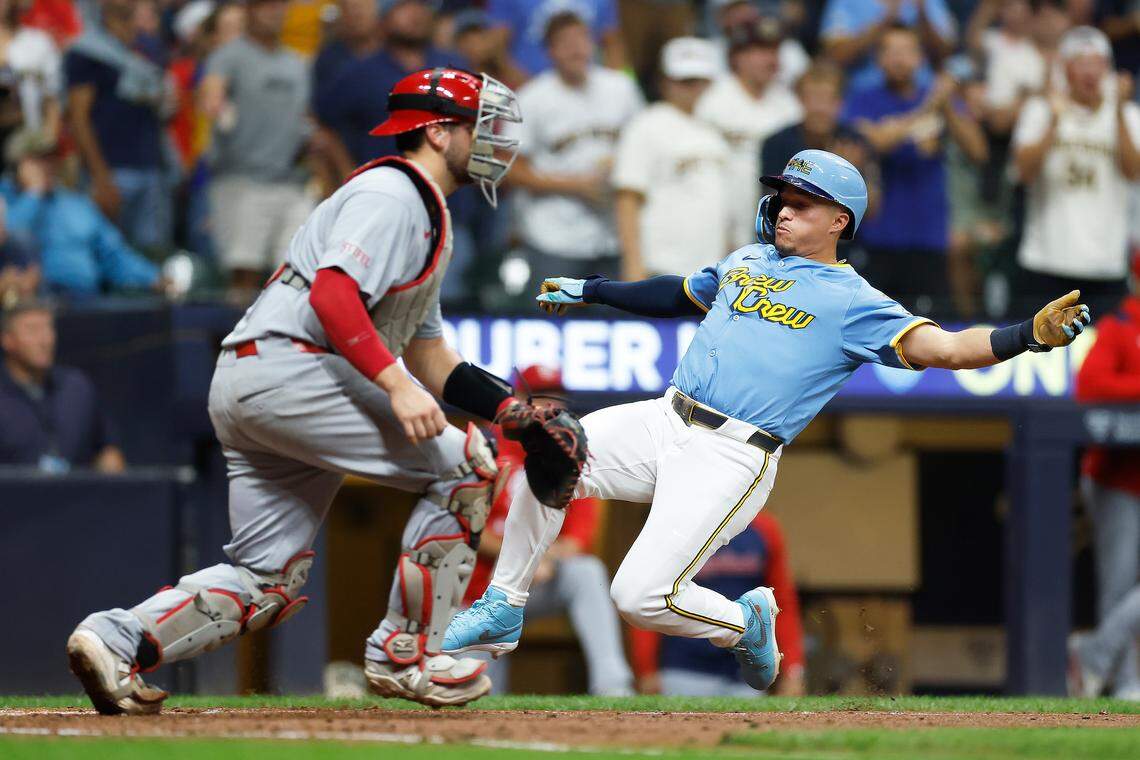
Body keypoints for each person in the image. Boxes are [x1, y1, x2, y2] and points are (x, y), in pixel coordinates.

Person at [443, 148, 1091, 694]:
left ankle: (745, 626)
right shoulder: (747, 260)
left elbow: (943, 349)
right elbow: (676, 294)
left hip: (732, 454)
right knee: (550, 452)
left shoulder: (856, 301)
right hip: (666, 417)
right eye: (782, 196)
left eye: (802, 202)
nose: (783, 208)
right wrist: (593, 290)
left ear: (839, 220)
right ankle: (504, 603)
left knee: (636, 596)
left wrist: (1023, 336)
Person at [65, 68, 542, 715]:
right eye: (476, 126)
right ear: (435, 130)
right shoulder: (394, 194)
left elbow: (428, 352)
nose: (491, 140)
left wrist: (512, 408)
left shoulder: (425, 211)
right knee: (465, 469)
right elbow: (334, 296)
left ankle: (117, 638)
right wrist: (394, 386)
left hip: (260, 376)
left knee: (268, 581)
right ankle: (407, 654)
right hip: (296, 367)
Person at [467, 364, 634, 696]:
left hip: (541, 582)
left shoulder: (570, 453)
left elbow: (577, 542)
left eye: (555, 400)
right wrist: (525, 556)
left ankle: (614, 686)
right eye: (538, 399)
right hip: (480, 590)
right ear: (514, 401)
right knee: (477, 695)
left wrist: (541, 558)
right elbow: (469, 530)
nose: (547, 408)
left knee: (586, 572)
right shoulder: (487, 445)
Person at [843, 23, 988, 317]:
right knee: (875, 324)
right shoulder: (863, 99)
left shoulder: (940, 100)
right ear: (878, 59)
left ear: (920, 58)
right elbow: (874, 142)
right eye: (891, 51)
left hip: (930, 235)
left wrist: (946, 106)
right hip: (879, 236)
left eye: (907, 51)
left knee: (931, 325)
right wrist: (927, 107)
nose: (900, 59)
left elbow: (978, 152)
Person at [1013, 26, 1140, 319]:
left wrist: (1119, 112)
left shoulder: (1128, 115)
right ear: (1065, 69)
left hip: (1106, 264)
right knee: (1038, 347)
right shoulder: (1041, 110)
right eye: (1082, 63)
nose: (1091, 72)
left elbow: (1133, 172)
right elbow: (1023, 173)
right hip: (1045, 260)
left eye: (1098, 63)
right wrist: (1054, 123)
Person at [510, 10, 643, 286]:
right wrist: (574, 185)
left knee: (614, 324)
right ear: (550, 51)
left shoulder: (621, 88)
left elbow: (644, 145)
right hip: (554, 236)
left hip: (613, 236)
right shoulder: (531, 98)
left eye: (582, 39)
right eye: (565, 42)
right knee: (554, 322)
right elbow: (512, 170)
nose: (576, 48)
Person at [199, 0, 316, 295]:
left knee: (298, 273)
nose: (273, 11)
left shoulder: (296, 63)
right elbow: (211, 91)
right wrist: (215, 102)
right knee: (243, 273)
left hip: (290, 181)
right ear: (249, 10)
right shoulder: (228, 56)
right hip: (242, 180)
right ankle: (236, 340)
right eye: (265, 5)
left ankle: (285, 341)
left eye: (278, 6)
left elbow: (305, 118)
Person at [630, 511, 805, 696]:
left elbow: (781, 603)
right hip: (684, 668)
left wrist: (793, 669)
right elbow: (653, 597)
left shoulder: (763, 527)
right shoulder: (677, 526)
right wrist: (646, 668)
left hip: (745, 669)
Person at [1073, 251, 1140, 698]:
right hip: (1118, 478)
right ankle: (1128, 684)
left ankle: (1094, 655)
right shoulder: (1121, 328)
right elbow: (1090, 387)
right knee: (1118, 586)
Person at [612, 37, 730, 280]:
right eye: (686, 81)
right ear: (665, 81)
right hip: (660, 268)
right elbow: (627, 198)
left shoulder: (713, 129)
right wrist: (633, 265)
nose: (694, 88)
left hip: (708, 270)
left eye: (700, 81)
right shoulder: (645, 125)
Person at [64, 0, 175, 253]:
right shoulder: (85, 51)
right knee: (106, 252)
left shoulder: (149, 48)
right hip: (112, 171)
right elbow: (79, 118)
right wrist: (101, 177)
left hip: (152, 169)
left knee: (152, 257)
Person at [0, 130, 162, 298]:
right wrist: (33, 194)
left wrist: (153, 277)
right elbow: (7, 237)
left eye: (51, 158)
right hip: (32, 299)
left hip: (85, 297)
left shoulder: (75, 204)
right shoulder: (4, 198)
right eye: (38, 159)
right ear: (17, 164)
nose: (48, 166)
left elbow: (113, 254)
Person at [698, 17, 802, 250]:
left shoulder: (788, 103)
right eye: (761, 50)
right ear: (737, 56)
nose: (772, 59)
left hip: (773, 217)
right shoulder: (714, 100)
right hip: (719, 216)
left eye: (775, 50)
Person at [0, 299, 126, 473]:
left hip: (75, 497)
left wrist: (113, 482)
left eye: (48, 329)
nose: (44, 340)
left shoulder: (77, 386)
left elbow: (107, 448)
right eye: (32, 330)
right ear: (7, 340)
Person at [820, 0, 958, 94]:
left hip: (921, 94)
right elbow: (834, 56)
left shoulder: (928, 3)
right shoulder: (848, 2)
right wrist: (884, 20)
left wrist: (923, 14)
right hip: (862, 97)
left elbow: (946, 53)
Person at [486, 0, 626, 79]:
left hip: (589, 85)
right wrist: (525, 86)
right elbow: (497, 49)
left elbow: (613, 43)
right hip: (531, 87)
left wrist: (609, 83)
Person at [708, 0, 809, 90]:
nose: (741, 15)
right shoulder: (711, 49)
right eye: (732, 11)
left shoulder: (790, 47)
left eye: (744, 7)